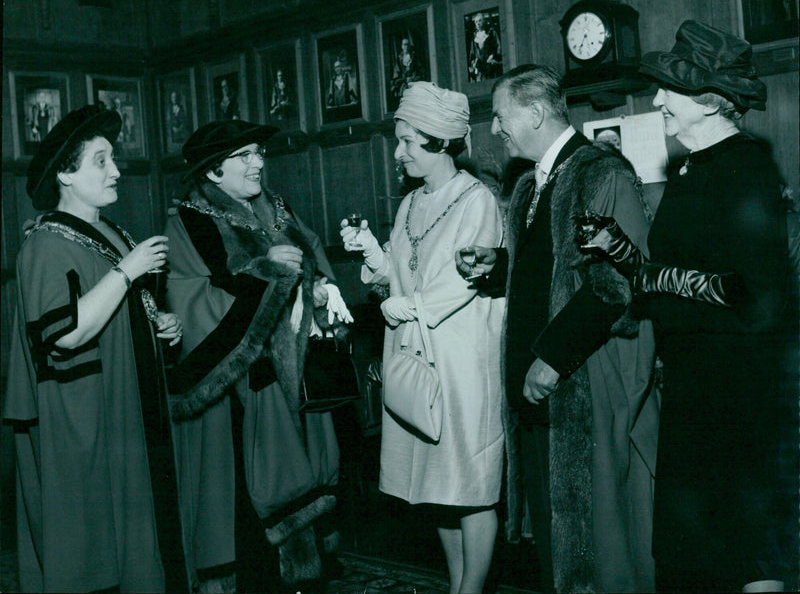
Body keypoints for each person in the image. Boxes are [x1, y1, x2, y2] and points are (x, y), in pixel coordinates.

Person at [579, 21, 799, 592]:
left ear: (708, 101)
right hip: (693, 384)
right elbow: (679, 277)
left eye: (667, 91)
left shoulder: (745, 167)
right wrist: (622, 251)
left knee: (747, 552)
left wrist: (656, 274)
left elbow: (753, 292)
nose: (656, 101)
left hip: (739, 394)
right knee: (699, 555)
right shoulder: (691, 168)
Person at [455, 65, 659, 593]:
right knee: (553, 531)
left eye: (500, 116)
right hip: (539, 387)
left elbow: (616, 283)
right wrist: (496, 267)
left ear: (536, 113)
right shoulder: (530, 185)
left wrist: (551, 359)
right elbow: (550, 271)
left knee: (593, 536)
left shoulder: (600, 173)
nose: (495, 129)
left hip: (578, 383)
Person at [164, 119, 353, 592]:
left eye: (258, 153)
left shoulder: (276, 207)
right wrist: (268, 275)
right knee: (248, 508)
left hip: (297, 368)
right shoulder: (189, 220)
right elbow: (192, 297)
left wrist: (319, 284)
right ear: (212, 173)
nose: (258, 163)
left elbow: (310, 254)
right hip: (243, 388)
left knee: (305, 475)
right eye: (244, 156)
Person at [3, 103, 185, 592]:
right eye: (100, 161)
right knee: (95, 549)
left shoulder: (110, 231)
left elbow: (119, 308)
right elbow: (64, 333)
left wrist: (159, 324)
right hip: (83, 417)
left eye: (113, 159)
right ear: (66, 173)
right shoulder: (44, 243)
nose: (116, 171)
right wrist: (128, 271)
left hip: (123, 409)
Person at [340, 81, 505, 594]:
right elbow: (404, 273)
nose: (399, 151)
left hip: (460, 360)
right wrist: (374, 257)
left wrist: (409, 305)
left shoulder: (477, 201)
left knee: (471, 486)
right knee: (436, 484)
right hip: (414, 356)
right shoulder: (411, 203)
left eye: (409, 141)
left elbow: (461, 281)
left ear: (439, 141)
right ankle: (457, 584)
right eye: (399, 139)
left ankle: (471, 589)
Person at [468, 12, 502, 82]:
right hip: (480, 68)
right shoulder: (474, 36)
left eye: (480, 20)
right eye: (476, 21)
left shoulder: (491, 32)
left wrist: (493, 57)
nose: (478, 23)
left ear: (484, 21)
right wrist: (473, 62)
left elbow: (498, 46)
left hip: (490, 65)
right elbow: (472, 53)